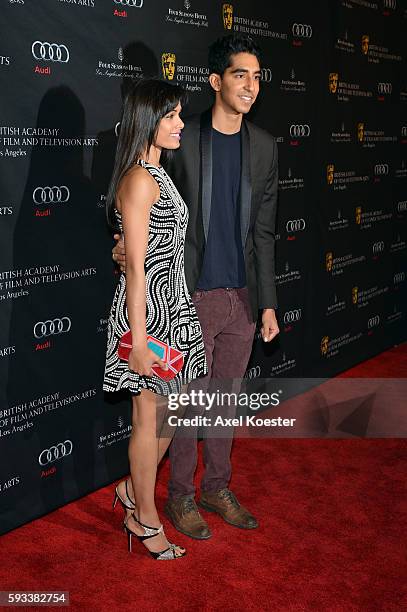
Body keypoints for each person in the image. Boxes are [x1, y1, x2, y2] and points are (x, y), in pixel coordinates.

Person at [112, 34, 279, 540]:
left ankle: (217, 486)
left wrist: (268, 302)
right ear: (216, 81)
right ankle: (180, 495)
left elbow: (265, 232)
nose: (251, 86)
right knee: (183, 405)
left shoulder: (266, 147)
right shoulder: (184, 138)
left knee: (224, 400)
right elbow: (140, 204)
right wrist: (122, 247)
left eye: (256, 76)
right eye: (239, 75)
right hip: (189, 296)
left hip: (243, 299)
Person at [104, 78, 207, 560]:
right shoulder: (141, 178)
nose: (180, 124)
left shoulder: (158, 173)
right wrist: (140, 338)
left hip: (175, 307)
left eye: (179, 114)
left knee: (174, 410)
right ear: (149, 120)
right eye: (171, 116)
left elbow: (141, 248)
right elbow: (137, 266)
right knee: (148, 418)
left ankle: (131, 488)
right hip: (147, 314)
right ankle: (144, 518)